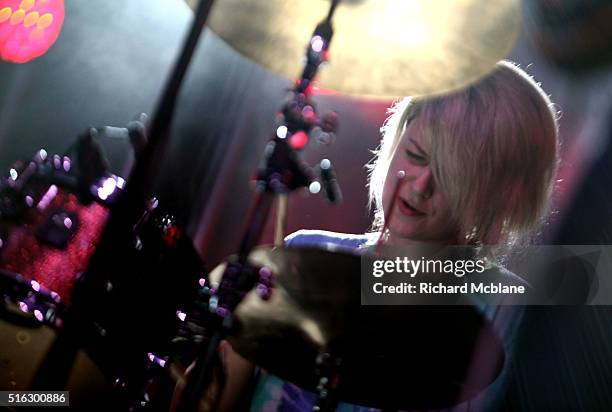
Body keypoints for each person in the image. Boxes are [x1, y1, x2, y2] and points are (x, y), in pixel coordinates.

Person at [177, 60, 560, 411]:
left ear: (500, 194)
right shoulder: (302, 256)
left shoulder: (512, 313)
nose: (420, 184)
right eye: (416, 155)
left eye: (449, 176)